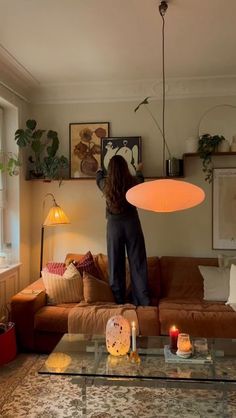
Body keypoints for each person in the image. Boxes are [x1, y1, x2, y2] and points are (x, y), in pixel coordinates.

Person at [96, 155, 150, 306]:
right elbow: (140, 180)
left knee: (115, 263)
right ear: (126, 168)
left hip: (114, 226)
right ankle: (143, 301)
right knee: (137, 261)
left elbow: (98, 178)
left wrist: (99, 171)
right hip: (132, 223)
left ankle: (118, 301)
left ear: (110, 171)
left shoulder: (106, 185)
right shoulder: (133, 182)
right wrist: (139, 170)